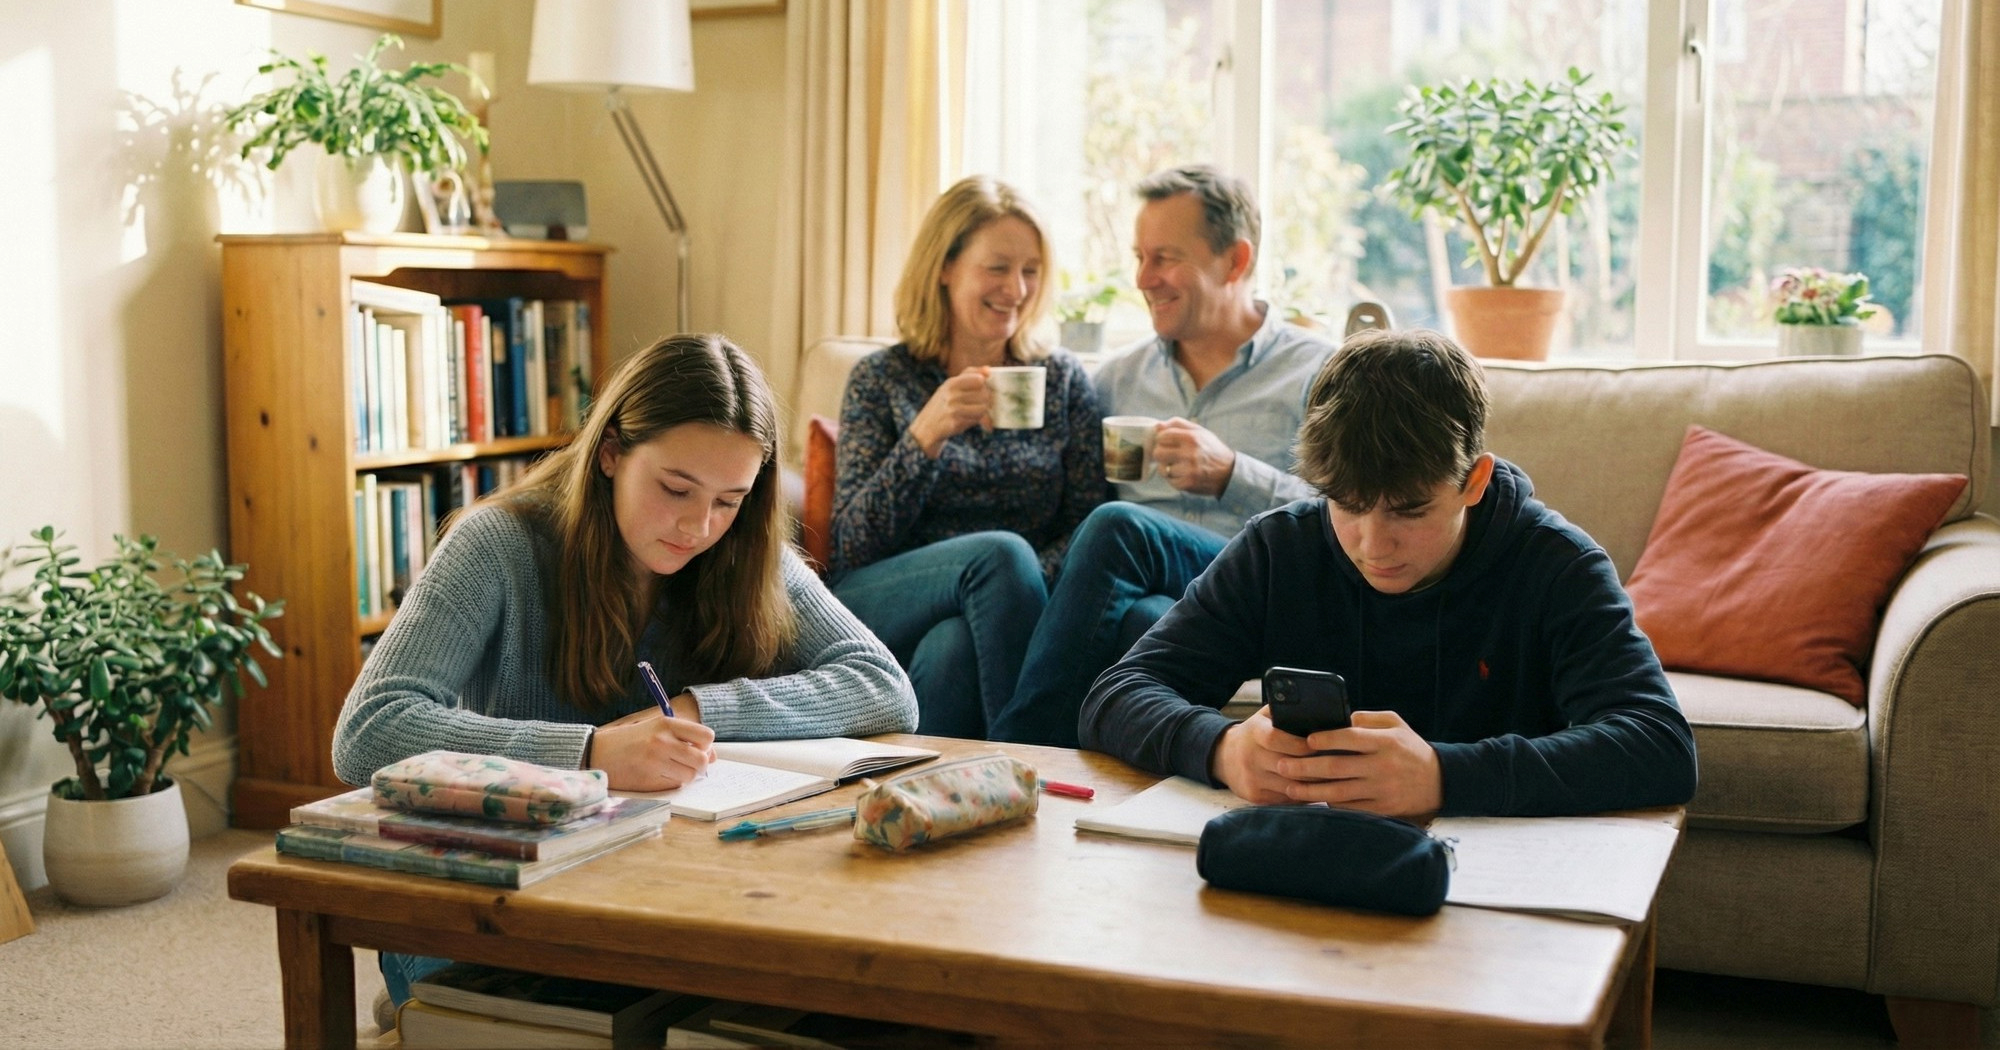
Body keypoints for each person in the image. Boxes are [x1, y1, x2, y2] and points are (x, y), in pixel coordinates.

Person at [331, 333, 917, 1005]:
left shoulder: (747, 552)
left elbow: (884, 686)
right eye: (676, 489)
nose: (698, 526)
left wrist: (695, 711)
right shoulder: (498, 543)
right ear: (611, 453)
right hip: (492, 887)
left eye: (729, 500)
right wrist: (589, 752)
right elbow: (369, 730)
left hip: (655, 883)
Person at [1080, 329, 1698, 818]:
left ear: (1474, 482)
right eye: (1347, 505)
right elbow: (1116, 694)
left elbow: (1660, 746)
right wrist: (1220, 748)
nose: (1374, 545)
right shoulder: (1280, 548)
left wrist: (1440, 775)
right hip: (1301, 881)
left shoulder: (1557, 565)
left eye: (1411, 511)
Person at [990, 165, 1337, 746]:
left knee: (1120, 526)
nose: (1144, 279)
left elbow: (1347, 516)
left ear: (1236, 261)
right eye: (1139, 257)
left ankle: (1018, 750)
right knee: (1139, 618)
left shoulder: (1319, 371)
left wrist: (1234, 474)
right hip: (1156, 595)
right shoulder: (1118, 379)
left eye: (1166, 258)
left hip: (1262, 581)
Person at [829, 176, 1106, 737]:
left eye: (1030, 271)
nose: (1017, 288)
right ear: (945, 266)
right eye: (998, 267)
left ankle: (934, 799)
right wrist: (924, 437)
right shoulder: (882, 380)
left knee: (952, 647)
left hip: (1002, 603)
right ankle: (1034, 764)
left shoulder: (1061, 380)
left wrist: (1016, 589)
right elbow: (851, 543)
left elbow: (1086, 525)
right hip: (888, 592)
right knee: (1001, 555)